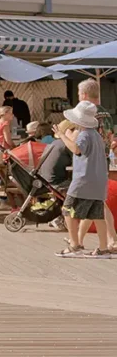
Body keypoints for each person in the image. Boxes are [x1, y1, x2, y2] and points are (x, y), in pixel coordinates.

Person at [55, 101, 110, 256]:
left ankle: (75, 245)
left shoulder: (84, 135)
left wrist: (62, 136)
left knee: (67, 210)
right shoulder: (97, 136)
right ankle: (103, 247)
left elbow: (77, 150)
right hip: (98, 182)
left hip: (83, 181)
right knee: (97, 216)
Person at [74, 79, 117, 251]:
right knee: (94, 200)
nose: (78, 97)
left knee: (97, 201)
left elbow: (81, 141)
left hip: (91, 162)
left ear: (84, 95)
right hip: (104, 159)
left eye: (78, 94)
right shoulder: (106, 113)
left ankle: (112, 239)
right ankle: (77, 239)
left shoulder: (86, 114)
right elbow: (111, 136)